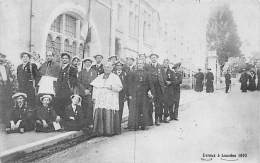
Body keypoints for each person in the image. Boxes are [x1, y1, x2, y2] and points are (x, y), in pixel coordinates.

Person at [91, 62, 122, 136]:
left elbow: (120, 88)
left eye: (108, 67)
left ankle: (109, 131)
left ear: (111, 68)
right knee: (100, 112)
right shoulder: (99, 77)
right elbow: (95, 87)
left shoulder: (115, 77)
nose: (107, 69)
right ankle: (99, 131)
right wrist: (94, 97)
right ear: (103, 68)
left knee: (108, 113)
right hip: (100, 98)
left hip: (110, 98)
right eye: (105, 67)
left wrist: (112, 87)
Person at [126, 59, 154, 130]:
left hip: (144, 94)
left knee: (144, 109)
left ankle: (143, 125)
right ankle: (134, 125)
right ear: (136, 65)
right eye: (138, 64)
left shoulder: (147, 73)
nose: (140, 65)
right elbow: (129, 84)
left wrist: (151, 92)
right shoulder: (132, 73)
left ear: (143, 65)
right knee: (135, 110)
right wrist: (129, 94)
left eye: (141, 64)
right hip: (135, 94)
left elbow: (150, 84)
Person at [55, 53, 78, 118]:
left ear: (69, 59)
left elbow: (74, 81)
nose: (64, 59)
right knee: (59, 107)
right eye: (63, 58)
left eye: (66, 58)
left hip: (67, 91)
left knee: (67, 107)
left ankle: (66, 124)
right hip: (59, 91)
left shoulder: (72, 69)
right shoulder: (60, 68)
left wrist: (70, 88)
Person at [146, 53, 166, 125]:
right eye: (152, 58)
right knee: (150, 104)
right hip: (151, 88)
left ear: (157, 58)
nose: (153, 59)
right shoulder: (147, 66)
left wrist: (163, 86)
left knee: (159, 104)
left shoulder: (160, 66)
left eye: (154, 57)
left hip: (159, 88)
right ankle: (149, 121)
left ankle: (157, 119)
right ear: (150, 59)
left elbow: (164, 77)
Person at [78, 58, 97, 127]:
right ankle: (84, 123)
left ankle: (90, 122)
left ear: (91, 63)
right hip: (83, 92)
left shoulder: (94, 72)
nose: (88, 63)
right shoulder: (81, 72)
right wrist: (84, 90)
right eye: (86, 62)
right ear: (84, 63)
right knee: (83, 106)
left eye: (89, 62)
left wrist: (89, 90)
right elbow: (79, 82)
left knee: (90, 107)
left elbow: (94, 82)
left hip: (90, 92)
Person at [0, 53, 13, 124]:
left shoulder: (7, 67)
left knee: (7, 102)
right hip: (0, 87)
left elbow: (10, 75)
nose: (1, 59)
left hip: (7, 87)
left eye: (3, 58)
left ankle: (6, 118)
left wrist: (10, 78)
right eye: (0, 57)